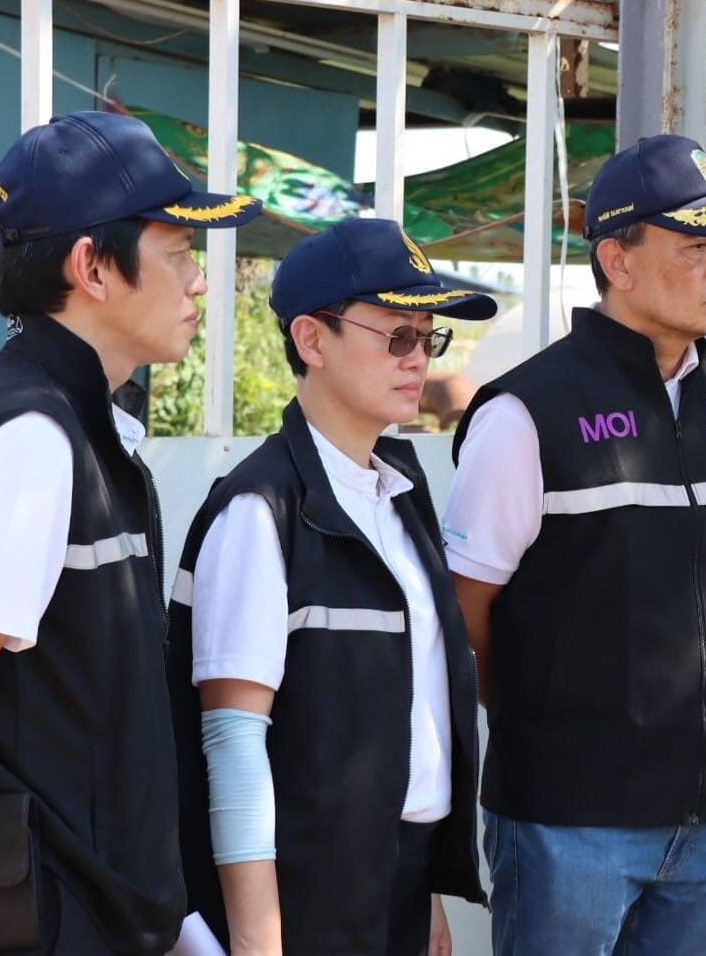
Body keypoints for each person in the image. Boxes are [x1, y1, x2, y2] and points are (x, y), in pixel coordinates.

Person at [0, 110, 261, 954]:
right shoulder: (31, 445)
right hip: (29, 923)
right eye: (179, 253)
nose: (199, 282)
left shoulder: (59, 422)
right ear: (92, 267)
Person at [440, 134, 706, 955]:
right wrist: (545, 713)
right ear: (616, 261)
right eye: (694, 247)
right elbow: (463, 612)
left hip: (705, 817)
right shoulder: (526, 410)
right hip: (567, 820)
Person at [164, 218, 495, 956]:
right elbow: (233, 742)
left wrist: (427, 896)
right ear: (311, 340)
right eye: (397, 336)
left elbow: (414, 714)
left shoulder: (399, 489)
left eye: (429, 338)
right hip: (301, 898)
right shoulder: (261, 510)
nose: (418, 359)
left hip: (397, 884)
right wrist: (257, 940)